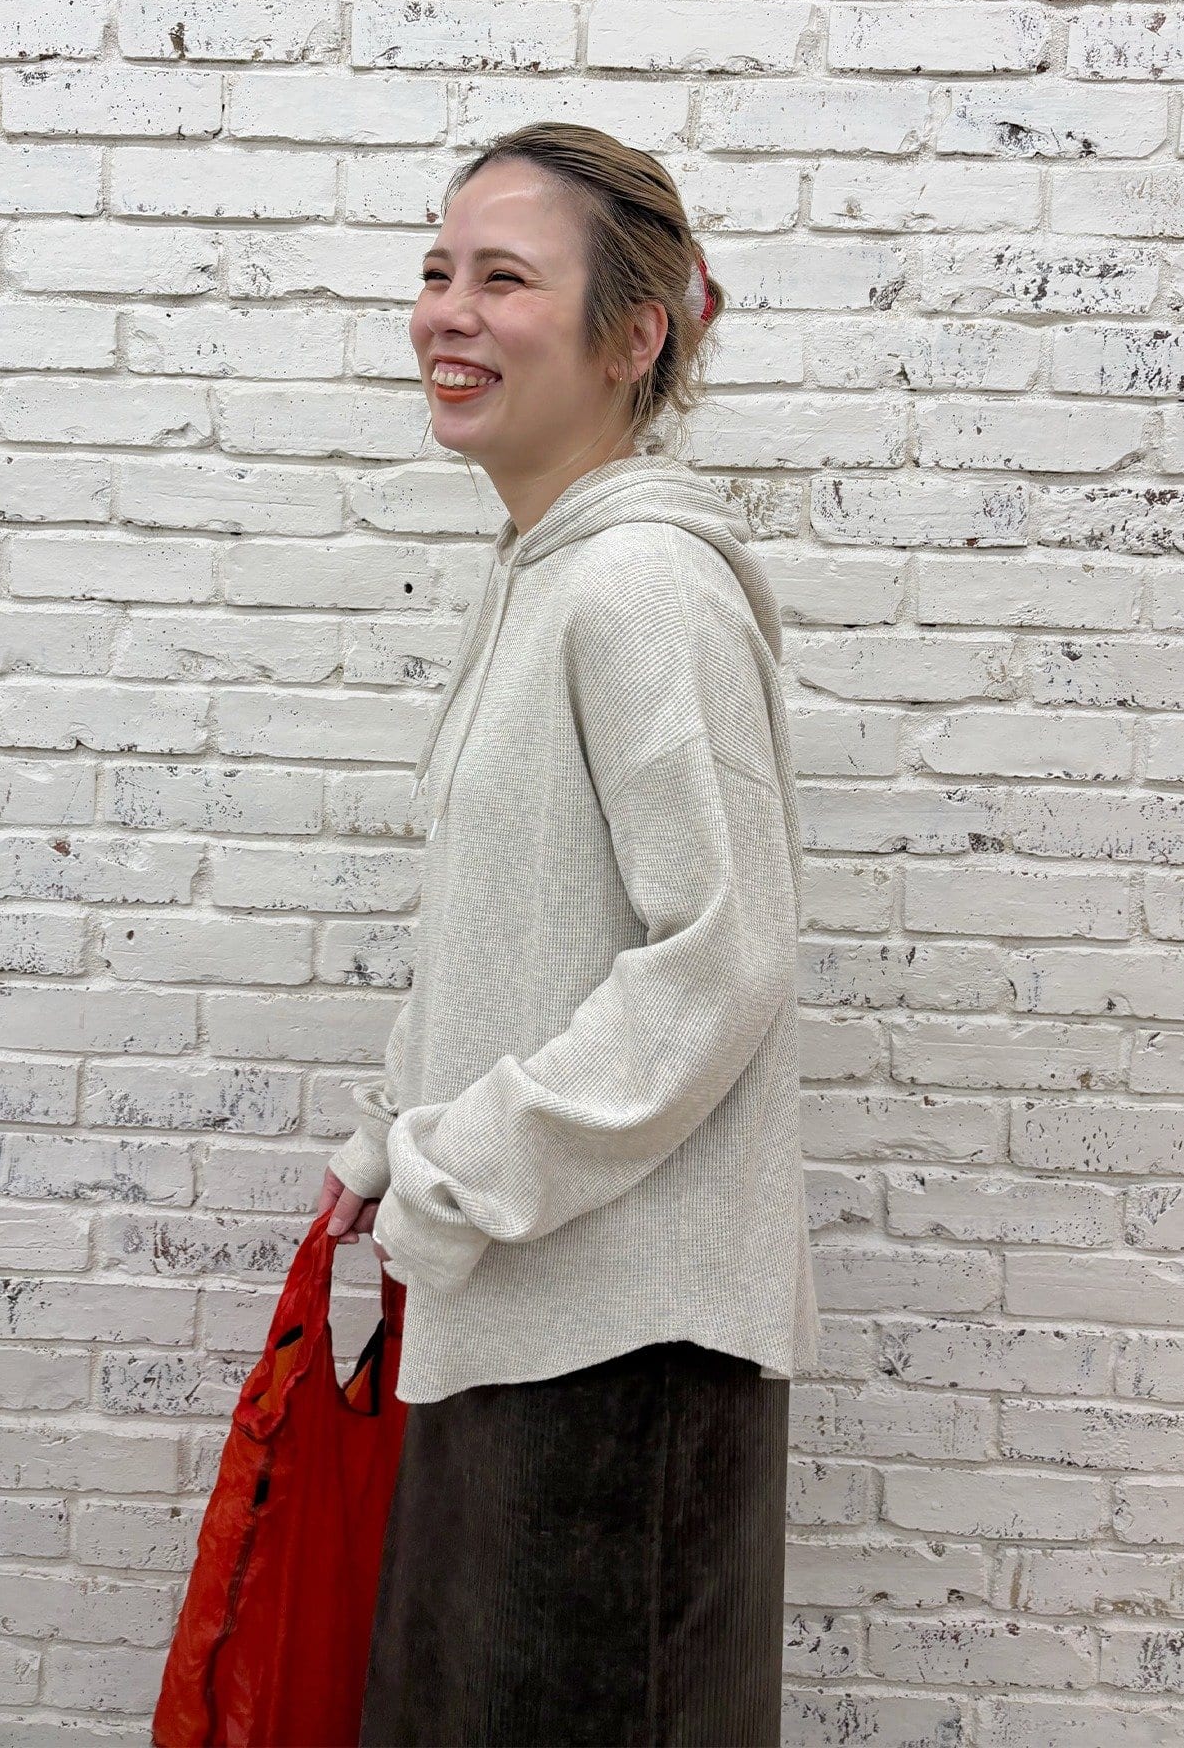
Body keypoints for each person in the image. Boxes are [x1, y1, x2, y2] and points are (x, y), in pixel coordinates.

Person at [314, 121, 820, 1748]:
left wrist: (461, 1172)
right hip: (526, 1311)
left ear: (633, 335)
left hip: (624, 1356)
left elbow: (721, 958)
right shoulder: (539, 577)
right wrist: (392, 1147)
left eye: (505, 278)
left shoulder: (642, 590)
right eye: (436, 270)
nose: (447, 313)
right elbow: (504, 927)